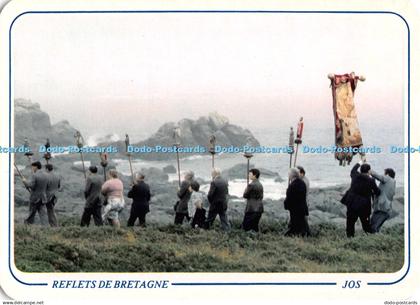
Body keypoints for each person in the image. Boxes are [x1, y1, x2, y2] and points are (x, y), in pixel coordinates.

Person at [341, 159, 380, 237]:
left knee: (350, 222)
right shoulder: (371, 180)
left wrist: (360, 162)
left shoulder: (355, 175)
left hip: (351, 202)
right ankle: (369, 237)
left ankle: (350, 238)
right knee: (365, 223)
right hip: (364, 205)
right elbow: (377, 192)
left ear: (361, 170)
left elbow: (353, 169)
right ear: (369, 171)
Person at [284, 168, 310, 237]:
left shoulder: (293, 185)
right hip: (302, 207)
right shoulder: (302, 183)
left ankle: (295, 236)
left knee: (296, 225)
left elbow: (290, 198)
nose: (288, 176)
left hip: (295, 209)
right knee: (302, 224)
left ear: (292, 175)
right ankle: (305, 235)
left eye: (289, 174)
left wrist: (286, 205)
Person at [22, 161, 48, 225]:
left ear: (36, 167)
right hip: (43, 198)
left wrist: (25, 181)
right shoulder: (46, 175)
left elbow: (31, 185)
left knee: (31, 214)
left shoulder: (35, 175)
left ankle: (27, 228)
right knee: (43, 215)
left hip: (34, 199)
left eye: (33, 166)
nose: (32, 168)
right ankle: (46, 228)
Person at [370, 168, 396, 233]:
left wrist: (369, 170)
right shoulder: (392, 183)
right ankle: (375, 240)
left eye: (384, 173)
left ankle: (374, 241)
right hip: (386, 209)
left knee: (373, 228)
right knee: (374, 227)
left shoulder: (388, 178)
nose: (383, 175)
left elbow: (378, 176)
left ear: (387, 174)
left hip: (381, 208)